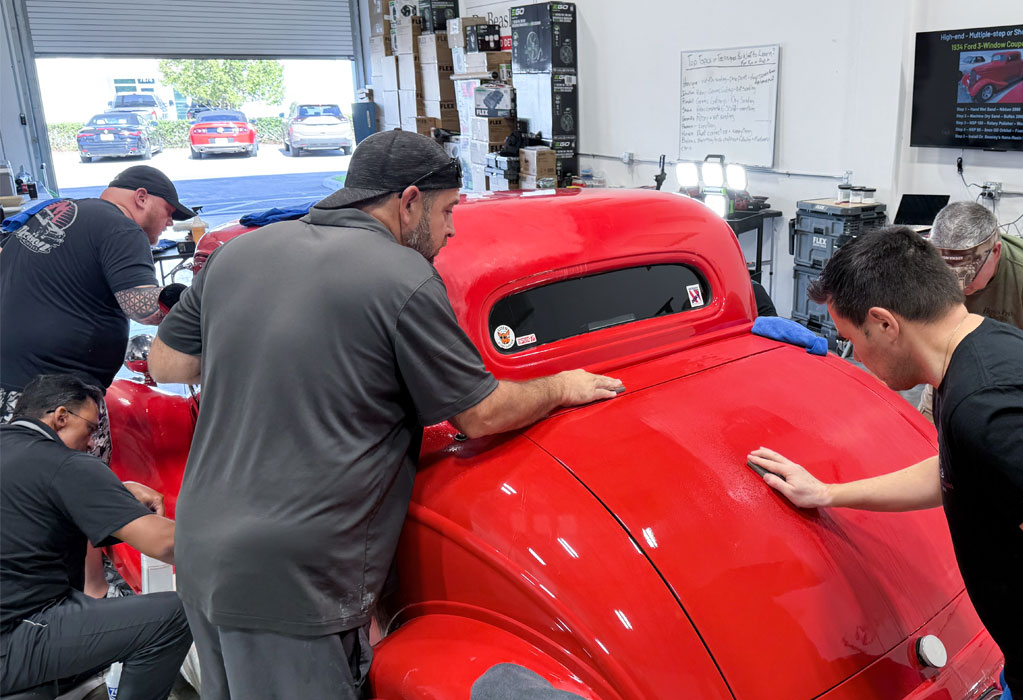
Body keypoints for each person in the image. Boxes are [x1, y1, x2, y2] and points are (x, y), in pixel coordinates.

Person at [147, 130, 625, 699]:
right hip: (296, 577)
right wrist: (562, 386)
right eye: (448, 211)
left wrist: (265, 352)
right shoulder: (402, 276)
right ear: (409, 201)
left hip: (201, 550)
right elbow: (482, 412)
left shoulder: (239, 253)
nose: (450, 231)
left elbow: (167, 362)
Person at [748, 226, 1023, 700]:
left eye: (850, 339)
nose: (854, 357)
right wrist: (829, 493)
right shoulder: (975, 356)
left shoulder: (993, 406)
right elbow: (957, 468)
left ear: (884, 323)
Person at [0, 374, 190, 700]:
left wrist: (112, 496)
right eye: (90, 428)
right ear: (60, 417)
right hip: (16, 632)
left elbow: (32, 510)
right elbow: (167, 543)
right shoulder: (65, 463)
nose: (91, 442)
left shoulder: (13, 451)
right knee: (175, 616)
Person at [0, 165, 195, 462]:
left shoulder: (47, 214)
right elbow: (140, 306)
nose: (169, 222)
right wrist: (195, 299)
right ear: (141, 197)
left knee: (16, 496)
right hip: (58, 405)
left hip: (9, 389)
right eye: (169, 211)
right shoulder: (122, 228)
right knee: (72, 497)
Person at [916, 201, 1023, 419]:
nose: (958, 286)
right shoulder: (927, 268)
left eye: (967, 273)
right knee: (925, 444)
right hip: (947, 379)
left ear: (995, 251)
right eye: (946, 273)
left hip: (1019, 393)